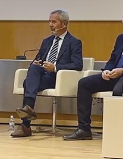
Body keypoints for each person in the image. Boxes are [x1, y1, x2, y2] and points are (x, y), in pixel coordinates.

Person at [64, 4, 123, 141]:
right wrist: (107, 70)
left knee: (119, 90)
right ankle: (84, 129)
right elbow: (112, 59)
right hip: (113, 75)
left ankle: (117, 129)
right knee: (84, 83)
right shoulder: (121, 38)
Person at [12, 9, 83, 138]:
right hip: (42, 74)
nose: (50, 24)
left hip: (58, 77)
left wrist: (55, 67)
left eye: (54, 22)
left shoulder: (74, 42)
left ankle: (25, 125)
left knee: (28, 83)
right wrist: (37, 63)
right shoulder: (47, 41)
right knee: (33, 69)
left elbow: (78, 65)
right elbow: (39, 58)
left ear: (64, 24)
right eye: (49, 21)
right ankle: (28, 110)